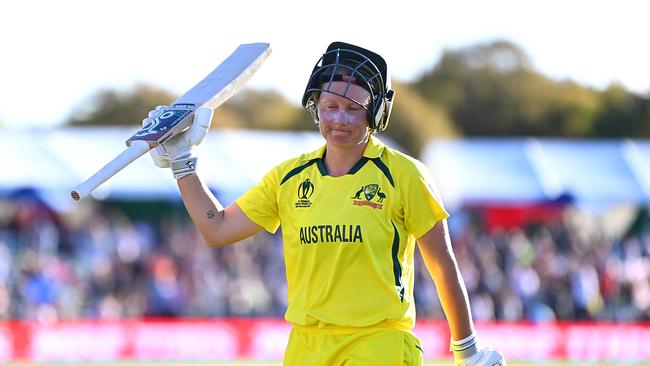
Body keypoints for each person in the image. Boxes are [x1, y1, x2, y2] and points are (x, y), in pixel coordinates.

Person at [145, 41, 506, 366]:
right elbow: (216, 228)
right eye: (330, 106)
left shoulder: (405, 174)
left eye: (353, 109)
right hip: (306, 345)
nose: (339, 119)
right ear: (315, 106)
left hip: (380, 342)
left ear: (376, 112)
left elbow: (443, 266)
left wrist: (467, 351)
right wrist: (183, 164)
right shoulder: (289, 178)